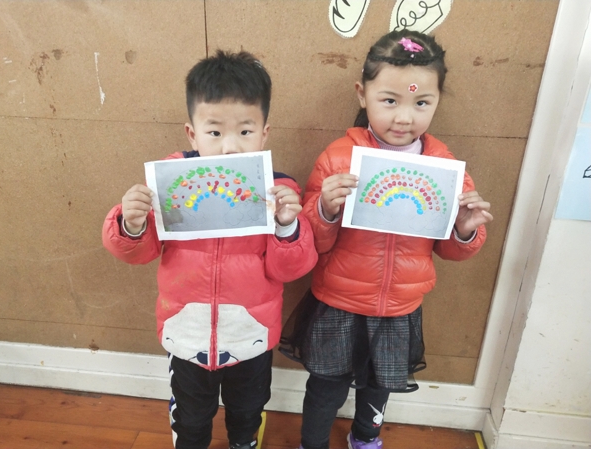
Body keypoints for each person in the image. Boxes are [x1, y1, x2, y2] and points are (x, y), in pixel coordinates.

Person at [279, 30, 493, 449]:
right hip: (338, 299)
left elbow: (452, 250)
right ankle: (313, 443)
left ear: (438, 101)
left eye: (421, 103)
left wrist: (465, 228)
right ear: (363, 95)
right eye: (389, 100)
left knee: (379, 387)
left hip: (399, 306)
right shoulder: (337, 158)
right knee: (325, 386)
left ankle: (365, 438)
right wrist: (325, 208)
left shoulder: (445, 167)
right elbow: (312, 243)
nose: (404, 118)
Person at [102, 50, 318, 449]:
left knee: (248, 409)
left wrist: (287, 225)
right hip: (186, 332)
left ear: (265, 133)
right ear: (192, 134)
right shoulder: (168, 185)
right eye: (215, 132)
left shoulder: (278, 193)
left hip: (251, 332)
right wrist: (131, 223)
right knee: (190, 415)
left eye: (245, 131)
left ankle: (244, 442)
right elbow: (138, 252)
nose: (230, 148)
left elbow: (291, 269)